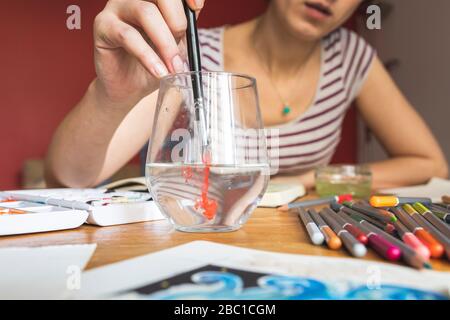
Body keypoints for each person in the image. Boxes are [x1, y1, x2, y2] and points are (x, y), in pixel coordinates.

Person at [45, 0, 448, 189]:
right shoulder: (188, 53)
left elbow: (431, 165)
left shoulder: (351, 57)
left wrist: (310, 180)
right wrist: (110, 97)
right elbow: (69, 178)